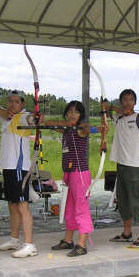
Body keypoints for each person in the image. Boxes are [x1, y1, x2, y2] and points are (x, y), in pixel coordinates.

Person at [104, 89, 139, 248]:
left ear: (135, 102)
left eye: (131, 99)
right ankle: (127, 233)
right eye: (125, 99)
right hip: (121, 165)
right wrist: (105, 106)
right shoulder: (119, 117)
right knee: (123, 201)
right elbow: (106, 114)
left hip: (134, 167)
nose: (128, 102)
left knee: (137, 201)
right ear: (121, 102)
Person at [0, 91, 37, 258]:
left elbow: (32, 119)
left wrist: (36, 117)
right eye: (9, 101)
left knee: (22, 205)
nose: (12, 104)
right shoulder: (7, 117)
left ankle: (29, 245)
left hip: (19, 168)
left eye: (16, 101)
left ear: (22, 104)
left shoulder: (23, 117)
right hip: (8, 167)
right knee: (12, 204)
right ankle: (14, 240)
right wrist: (3, 112)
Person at [46, 101, 95, 256]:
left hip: (80, 174)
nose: (72, 114)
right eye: (69, 112)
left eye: (76, 112)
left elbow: (87, 128)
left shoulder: (81, 129)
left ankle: (82, 244)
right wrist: (41, 121)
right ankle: (68, 240)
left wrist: (95, 127)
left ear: (81, 115)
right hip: (69, 173)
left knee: (81, 208)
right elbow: (51, 125)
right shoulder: (67, 130)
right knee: (69, 208)